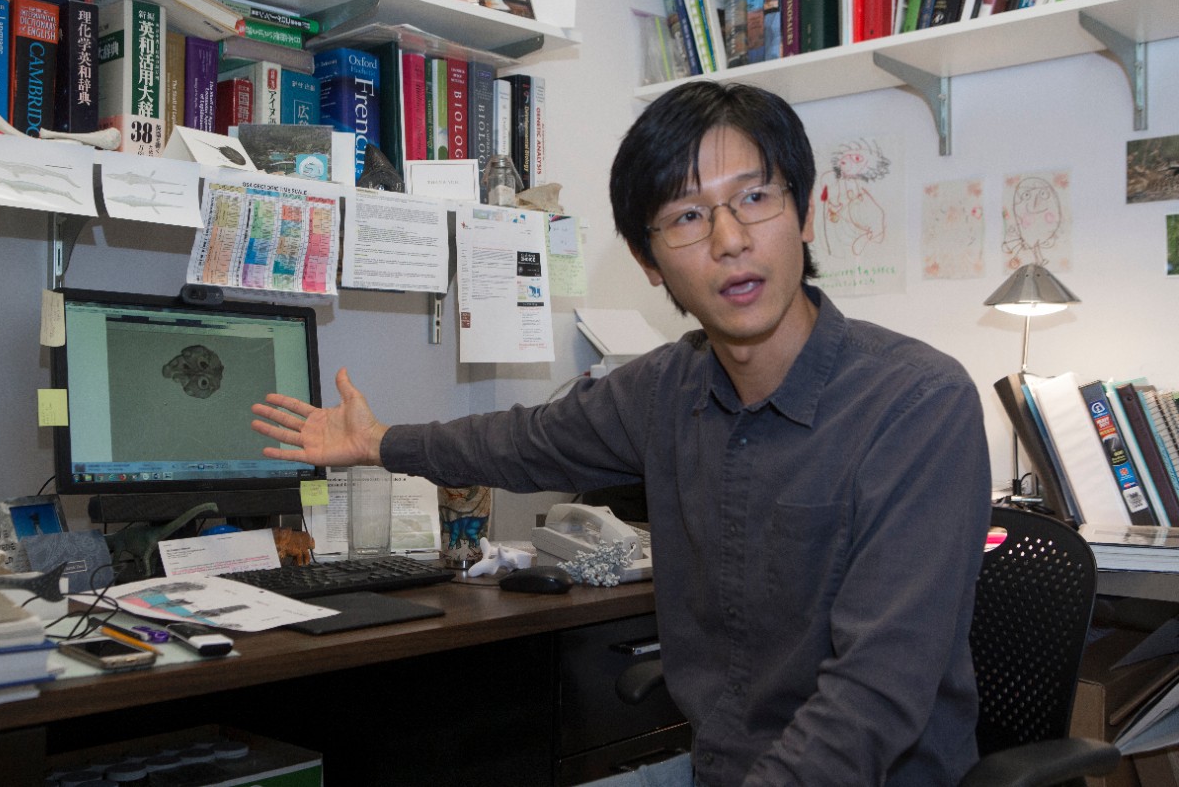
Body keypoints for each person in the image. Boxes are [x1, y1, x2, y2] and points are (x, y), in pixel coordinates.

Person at [251, 81, 992, 786]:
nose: (730, 239)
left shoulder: (917, 404)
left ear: (806, 213)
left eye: (755, 198)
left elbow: (872, 697)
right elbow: (520, 441)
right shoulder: (666, 389)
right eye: (687, 216)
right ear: (649, 261)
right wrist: (380, 442)